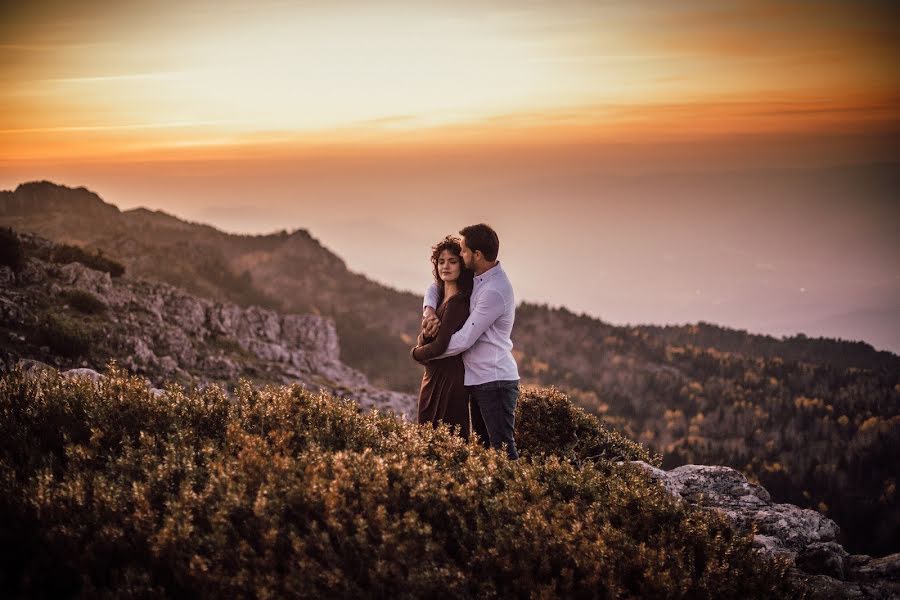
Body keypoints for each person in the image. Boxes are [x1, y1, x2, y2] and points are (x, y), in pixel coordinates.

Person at [418, 223, 520, 459]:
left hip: (495, 380)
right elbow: (435, 286)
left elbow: (464, 340)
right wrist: (429, 310)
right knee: (485, 450)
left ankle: (516, 493)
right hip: (476, 378)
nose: (460, 255)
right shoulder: (478, 277)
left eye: (463, 251)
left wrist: (425, 353)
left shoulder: (493, 290)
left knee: (502, 448)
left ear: (477, 255)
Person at [410, 236, 474, 438]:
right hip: (432, 378)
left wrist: (414, 353)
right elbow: (428, 338)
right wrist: (423, 335)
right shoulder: (438, 298)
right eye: (441, 261)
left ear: (462, 266)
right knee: (427, 435)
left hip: (450, 380)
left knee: (449, 438)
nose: (446, 266)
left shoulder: (457, 302)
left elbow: (440, 346)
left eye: (453, 261)